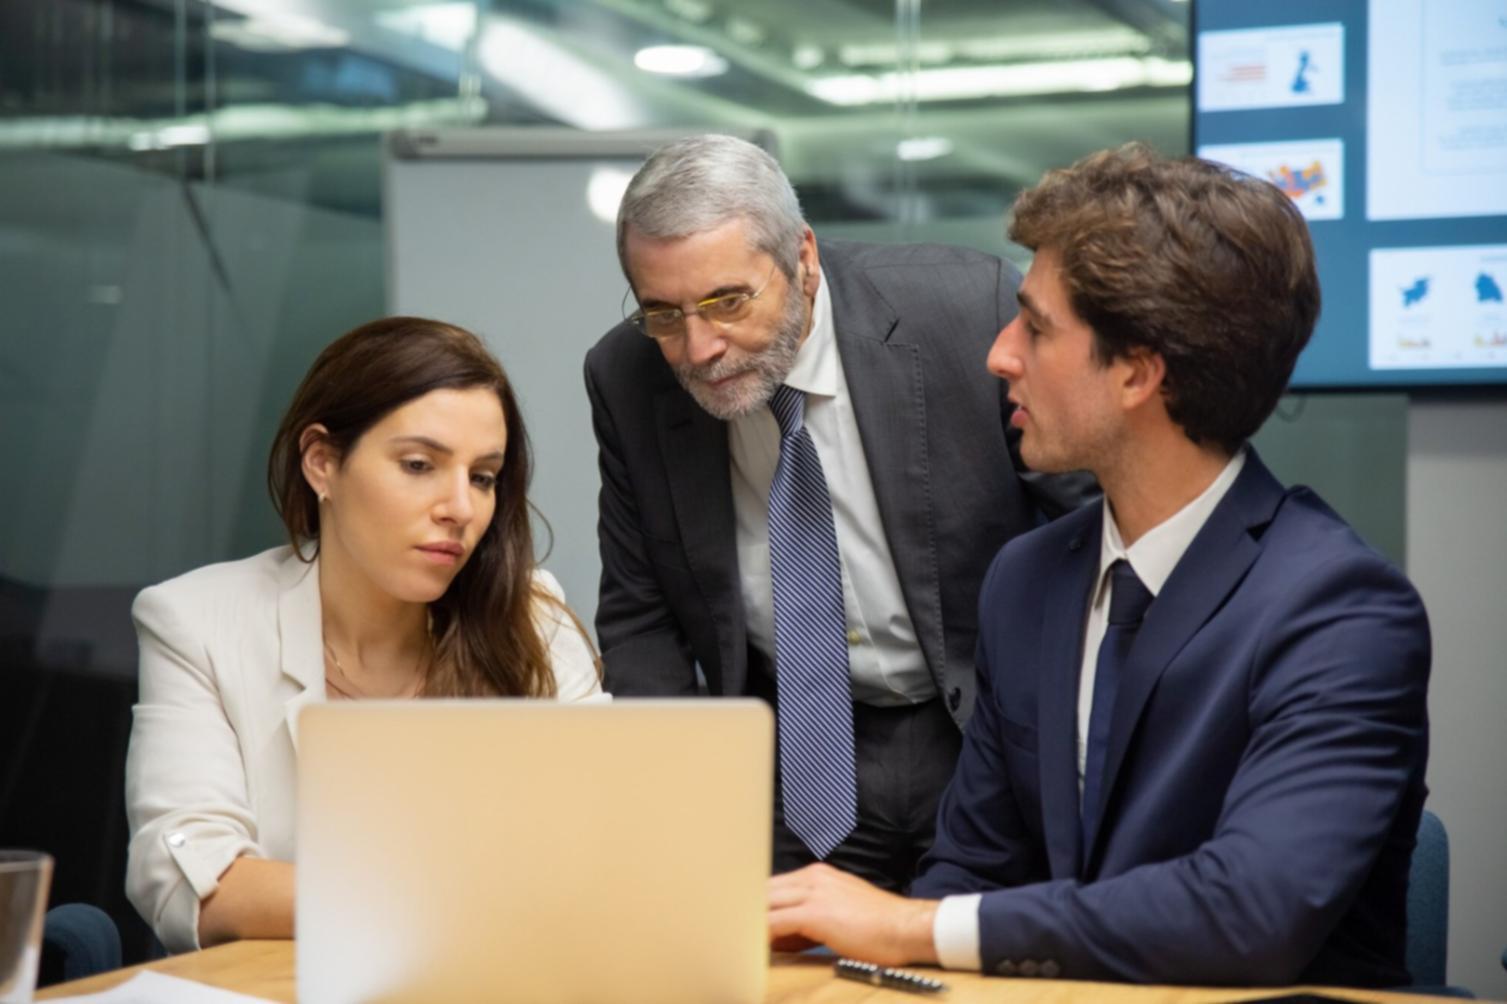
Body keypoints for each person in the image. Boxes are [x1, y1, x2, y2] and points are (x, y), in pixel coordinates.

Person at [767, 144, 1431, 988]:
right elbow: (971, 870)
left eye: (1036, 327)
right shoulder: (1027, 579)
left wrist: (908, 924)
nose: (998, 354)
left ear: (1137, 374)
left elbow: (1250, 910)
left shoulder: (1340, 610)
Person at [585, 134, 1091, 891]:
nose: (698, 348)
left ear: (803, 258)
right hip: (793, 755)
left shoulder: (965, 312)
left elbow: (1090, 526)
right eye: (662, 314)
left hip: (984, 730)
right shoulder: (627, 375)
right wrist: (682, 804)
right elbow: (641, 615)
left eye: (728, 302)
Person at [125, 317, 602, 953]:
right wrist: (439, 898)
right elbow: (187, 881)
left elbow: (609, 836)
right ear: (322, 462)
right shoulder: (196, 621)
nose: (460, 508)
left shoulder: (531, 615)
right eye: (419, 465)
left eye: (482, 476)